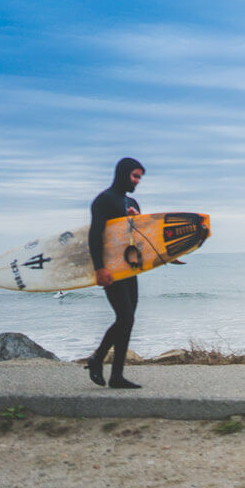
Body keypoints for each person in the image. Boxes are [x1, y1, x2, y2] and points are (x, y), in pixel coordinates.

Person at [85, 157, 145, 389]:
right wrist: (99, 268)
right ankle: (97, 359)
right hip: (110, 269)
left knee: (128, 322)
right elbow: (95, 235)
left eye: (139, 177)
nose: (137, 181)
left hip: (129, 268)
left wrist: (167, 257)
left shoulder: (132, 202)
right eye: (135, 176)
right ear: (123, 173)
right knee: (125, 317)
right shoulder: (104, 200)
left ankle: (117, 376)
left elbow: (140, 238)